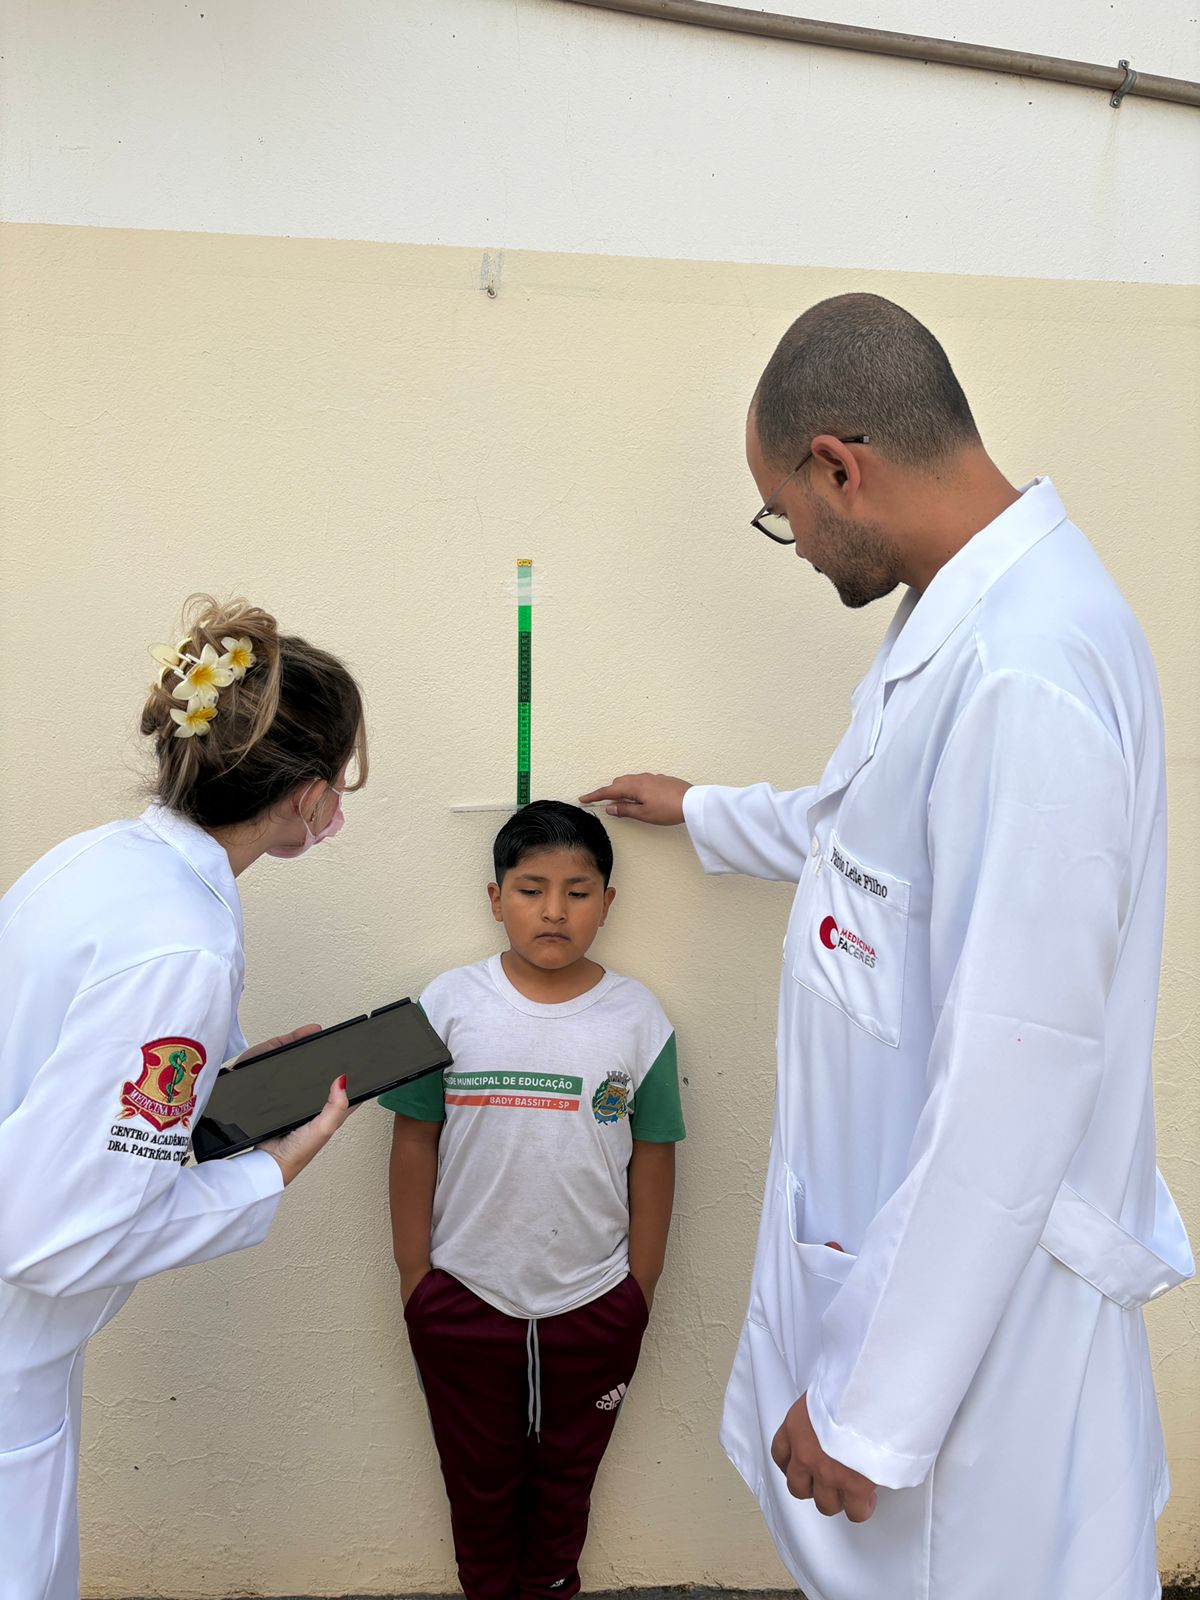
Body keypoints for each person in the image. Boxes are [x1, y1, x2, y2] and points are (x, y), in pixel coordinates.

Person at [582, 294, 1194, 1600]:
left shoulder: (1026, 672)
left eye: (781, 512)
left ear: (837, 465)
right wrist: (699, 811)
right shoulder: (956, 616)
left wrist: (874, 1406)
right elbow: (868, 826)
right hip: (915, 1292)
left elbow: (1012, 1078)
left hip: (980, 1372)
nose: (794, 544)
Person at [0, 595, 368, 1600]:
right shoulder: (183, 943)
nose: (340, 804)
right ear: (302, 795)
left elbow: (67, 1078)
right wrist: (269, 1166)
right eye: (341, 782)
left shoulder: (93, 864)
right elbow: (55, 1239)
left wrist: (224, 1080)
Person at [383, 800, 685, 1600]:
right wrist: (418, 1280)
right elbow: (414, 1141)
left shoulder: (639, 1019)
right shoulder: (444, 1005)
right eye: (531, 888)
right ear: (495, 898)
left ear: (608, 903)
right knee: (475, 1486)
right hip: (463, 1297)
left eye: (579, 891)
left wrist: (637, 1292)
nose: (554, 910)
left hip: (592, 1304)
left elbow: (653, 1158)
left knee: (564, 1490)